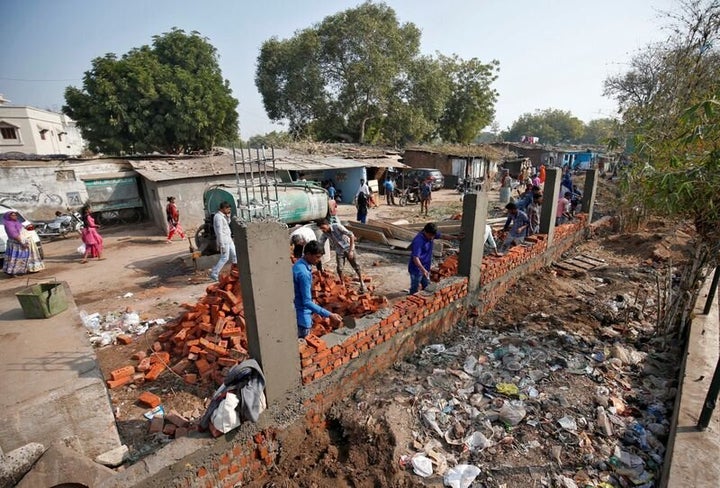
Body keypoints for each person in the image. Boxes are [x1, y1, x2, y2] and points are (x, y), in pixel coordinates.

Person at [292, 240, 343, 339]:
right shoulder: (304, 274)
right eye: (317, 257)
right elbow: (306, 302)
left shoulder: (299, 264)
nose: (319, 260)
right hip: (302, 318)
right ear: (308, 254)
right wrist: (329, 315)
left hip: (295, 313)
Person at [408, 222, 461, 294]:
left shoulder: (431, 234)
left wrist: (456, 238)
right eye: (430, 235)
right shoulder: (418, 241)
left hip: (426, 267)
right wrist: (423, 270)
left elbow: (443, 236)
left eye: (433, 236)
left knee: (426, 286)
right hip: (416, 269)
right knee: (415, 287)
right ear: (425, 232)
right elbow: (415, 258)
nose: (432, 238)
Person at [316, 218, 365, 292]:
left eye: (323, 227)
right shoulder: (325, 233)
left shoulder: (337, 226)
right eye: (321, 229)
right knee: (339, 268)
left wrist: (351, 251)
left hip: (348, 247)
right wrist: (317, 253)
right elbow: (321, 243)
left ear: (327, 224)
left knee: (356, 266)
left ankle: (362, 283)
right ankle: (343, 284)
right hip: (339, 251)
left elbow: (351, 235)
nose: (322, 230)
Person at [2, 210, 45, 276]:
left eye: (15, 215)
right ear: (8, 217)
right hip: (17, 244)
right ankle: (13, 271)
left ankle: (30, 268)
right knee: (17, 258)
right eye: (13, 215)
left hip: (24, 241)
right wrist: (22, 243)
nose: (15, 216)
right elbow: (14, 235)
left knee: (27, 256)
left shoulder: (16, 222)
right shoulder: (9, 224)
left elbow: (21, 230)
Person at [209, 201, 237, 281]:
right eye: (228, 209)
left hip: (228, 239)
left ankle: (235, 271)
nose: (229, 210)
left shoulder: (223, 216)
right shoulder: (218, 217)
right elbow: (219, 231)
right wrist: (221, 244)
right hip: (224, 240)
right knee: (224, 257)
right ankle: (214, 273)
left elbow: (227, 224)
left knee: (235, 255)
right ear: (224, 208)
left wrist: (228, 217)